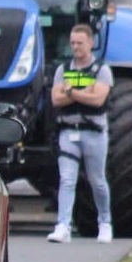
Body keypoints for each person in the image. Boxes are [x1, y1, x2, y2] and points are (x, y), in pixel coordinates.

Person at [47, 23, 114, 243]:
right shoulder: (63, 69)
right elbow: (56, 99)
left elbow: (98, 100)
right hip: (68, 131)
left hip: (94, 132)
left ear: (90, 43)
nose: (76, 47)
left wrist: (71, 93)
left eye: (80, 43)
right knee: (67, 179)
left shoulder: (101, 70)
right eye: (73, 43)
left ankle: (104, 222)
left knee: (97, 180)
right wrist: (83, 93)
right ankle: (63, 225)